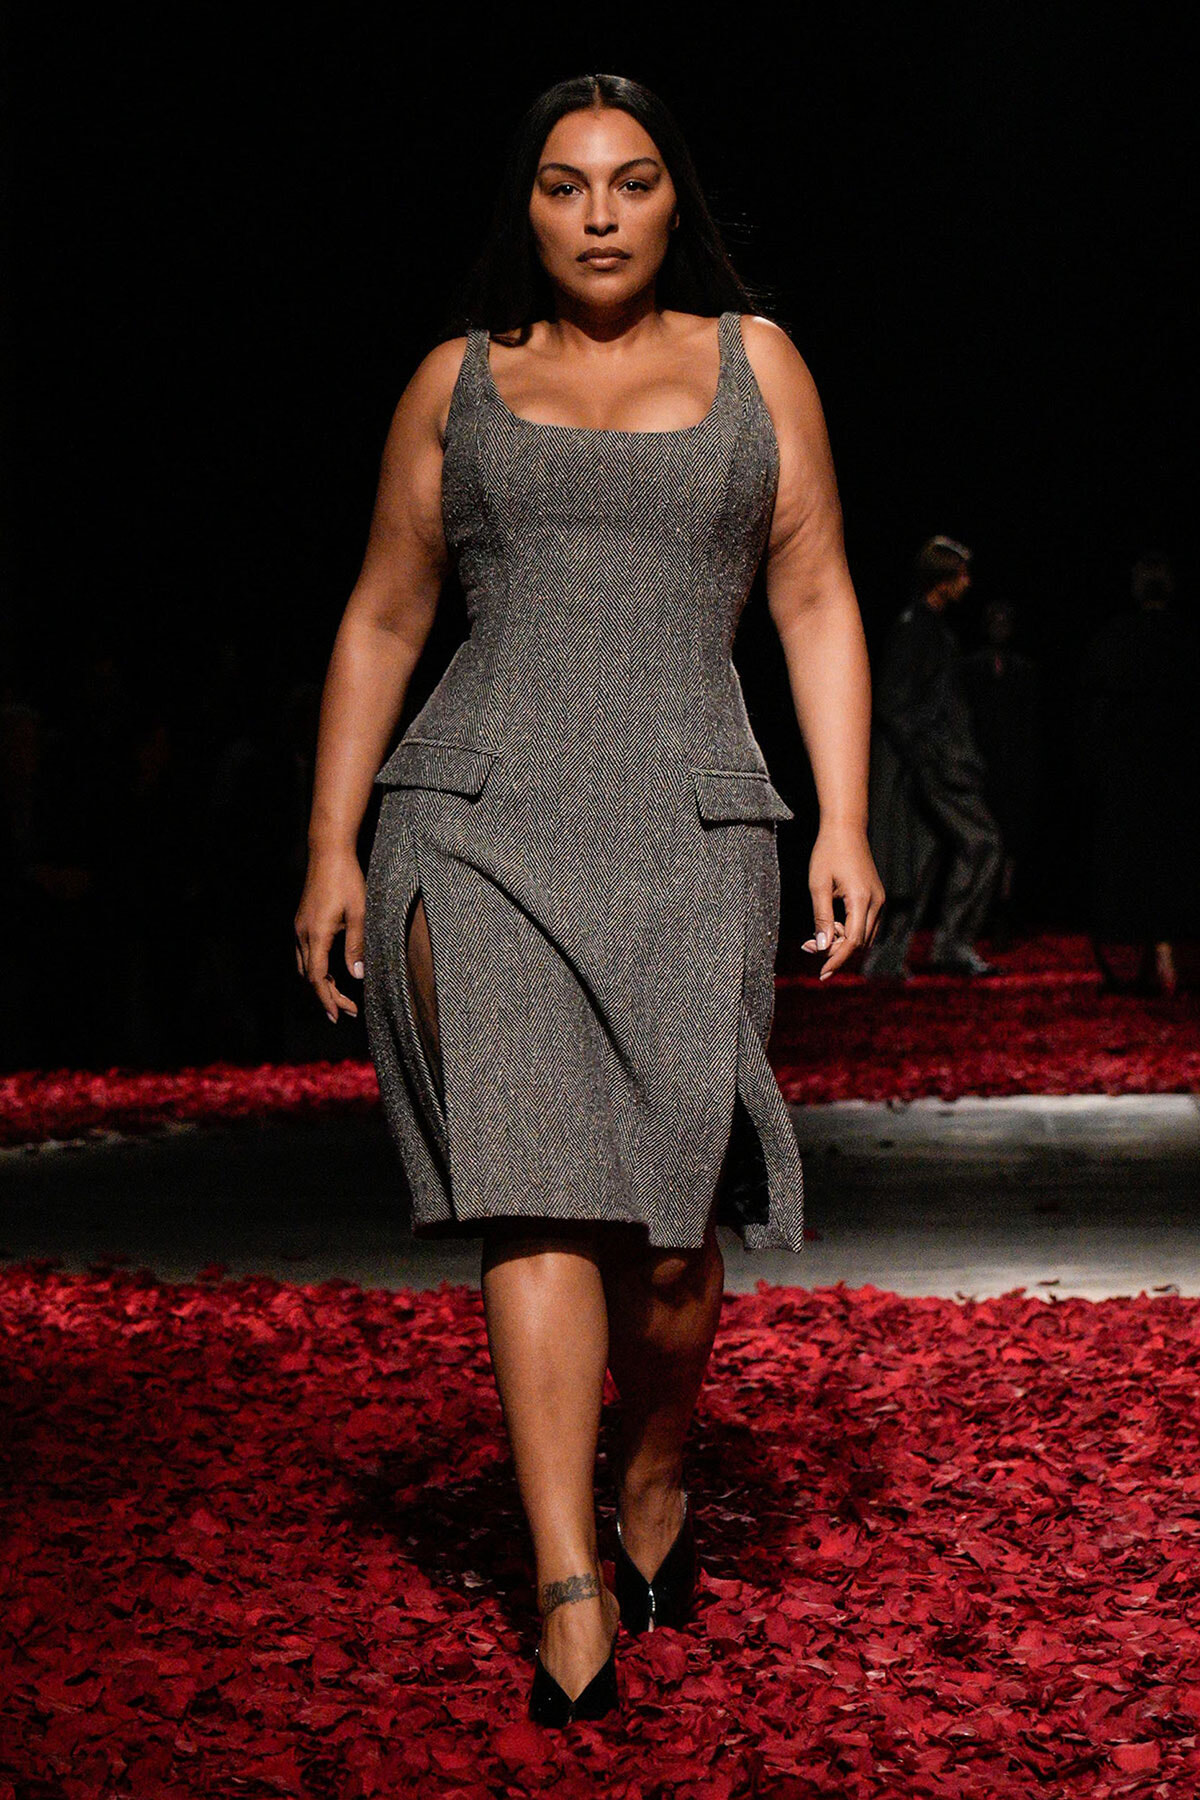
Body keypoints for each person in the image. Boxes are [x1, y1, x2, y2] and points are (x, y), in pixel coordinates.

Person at [294, 73, 883, 1727]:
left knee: (674, 1251)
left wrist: (844, 812)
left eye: (630, 182)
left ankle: (660, 1451)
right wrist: (334, 843)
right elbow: (382, 620)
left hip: (692, 823)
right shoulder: (455, 384)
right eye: (567, 185)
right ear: (530, 207)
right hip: (472, 818)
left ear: (671, 199)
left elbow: (819, 590)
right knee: (535, 1195)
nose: (602, 212)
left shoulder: (757, 366)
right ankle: (564, 1581)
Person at [862, 536, 1003, 980]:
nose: (967, 584)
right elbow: (894, 702)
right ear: (942, 580)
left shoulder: (930, 629)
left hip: (926, 763)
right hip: (925, 765)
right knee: (980, 843)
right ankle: (949, 944)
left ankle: (892, 958)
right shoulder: (915, 630)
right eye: (961, 575)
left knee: (922, 858)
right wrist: (932, 759)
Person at [1076, 552, 1200, 994]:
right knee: (1172, 856)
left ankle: (1156, 954)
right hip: (1178, 771)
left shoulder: (1115, 639)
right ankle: (1162, 954)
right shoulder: (1186, 639)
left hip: (1130, 771)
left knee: (1137, 858)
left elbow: (1095, 709)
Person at [961, 598, 1041, 946]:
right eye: (994, 617)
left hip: (1013, 772)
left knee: (1010, 844)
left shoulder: (1025, 671)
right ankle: (978, 913)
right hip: (980, 769)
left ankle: (1003, 913)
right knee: (979, 841)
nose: (1000, 625)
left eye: (1005, 618)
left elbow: (1032, 725)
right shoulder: (969, 669)